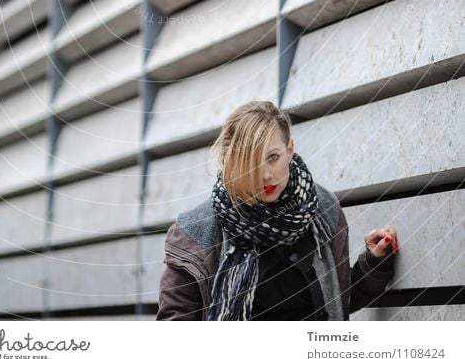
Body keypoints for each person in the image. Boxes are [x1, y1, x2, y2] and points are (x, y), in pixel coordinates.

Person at [157, 101, 398, 320]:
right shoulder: (194, 234)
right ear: (231, 162)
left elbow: (337, 302)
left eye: (273, 157)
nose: (265, 175)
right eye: (251, 162)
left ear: (290, 149)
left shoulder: (324, 212)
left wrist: (374, 262)